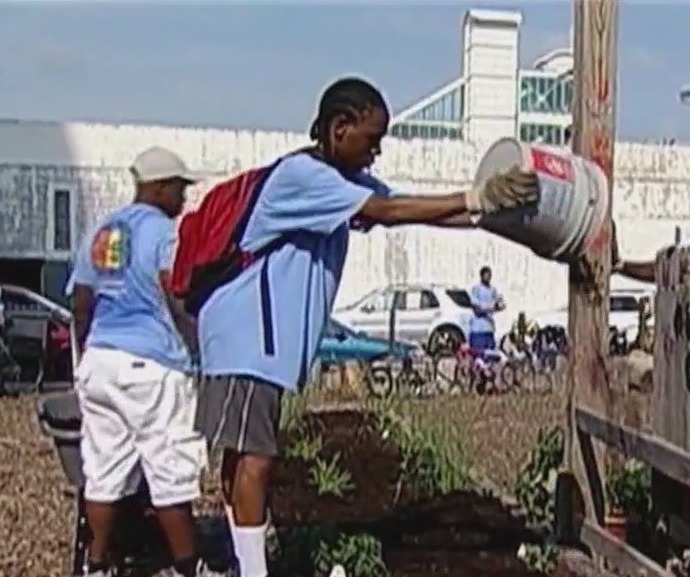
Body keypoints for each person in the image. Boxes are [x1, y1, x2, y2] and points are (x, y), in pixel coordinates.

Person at [193, 77, 539, 577]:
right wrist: (472, 194)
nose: (377, 150)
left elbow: (408, 209)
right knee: (257, 458)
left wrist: (490, 213)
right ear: (339, 128)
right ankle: (249, 570)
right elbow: (387, 210)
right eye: (371, 138)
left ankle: (238, 562)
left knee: (245, 456)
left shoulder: (339, 183)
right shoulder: (303, 176)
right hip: (248, 338)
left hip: (252, 340)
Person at [67, 146, 210, 577]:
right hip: (151, 364)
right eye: (180, 190)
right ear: (161, 187)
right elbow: (174, 292)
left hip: (101, 360)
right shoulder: (165, 233)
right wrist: (198, 345)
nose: (184, 200)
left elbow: (81, 300)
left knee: (104, 470)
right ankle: (187, 567)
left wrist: (83, 355)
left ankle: (96, 565)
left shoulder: (103, 229)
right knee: (170, 469)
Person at [469, 266, 504, 353]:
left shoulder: (493, 290)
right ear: (481, 276)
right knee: (478, 356)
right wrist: (491, 308)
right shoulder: (476, 289)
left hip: (489, 328)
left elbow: (496, 305)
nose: (488, 277)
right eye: (486, 275)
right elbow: (476, 310)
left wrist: (499, 307)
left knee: (490, 356)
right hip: (478, 329)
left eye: (489, 275)